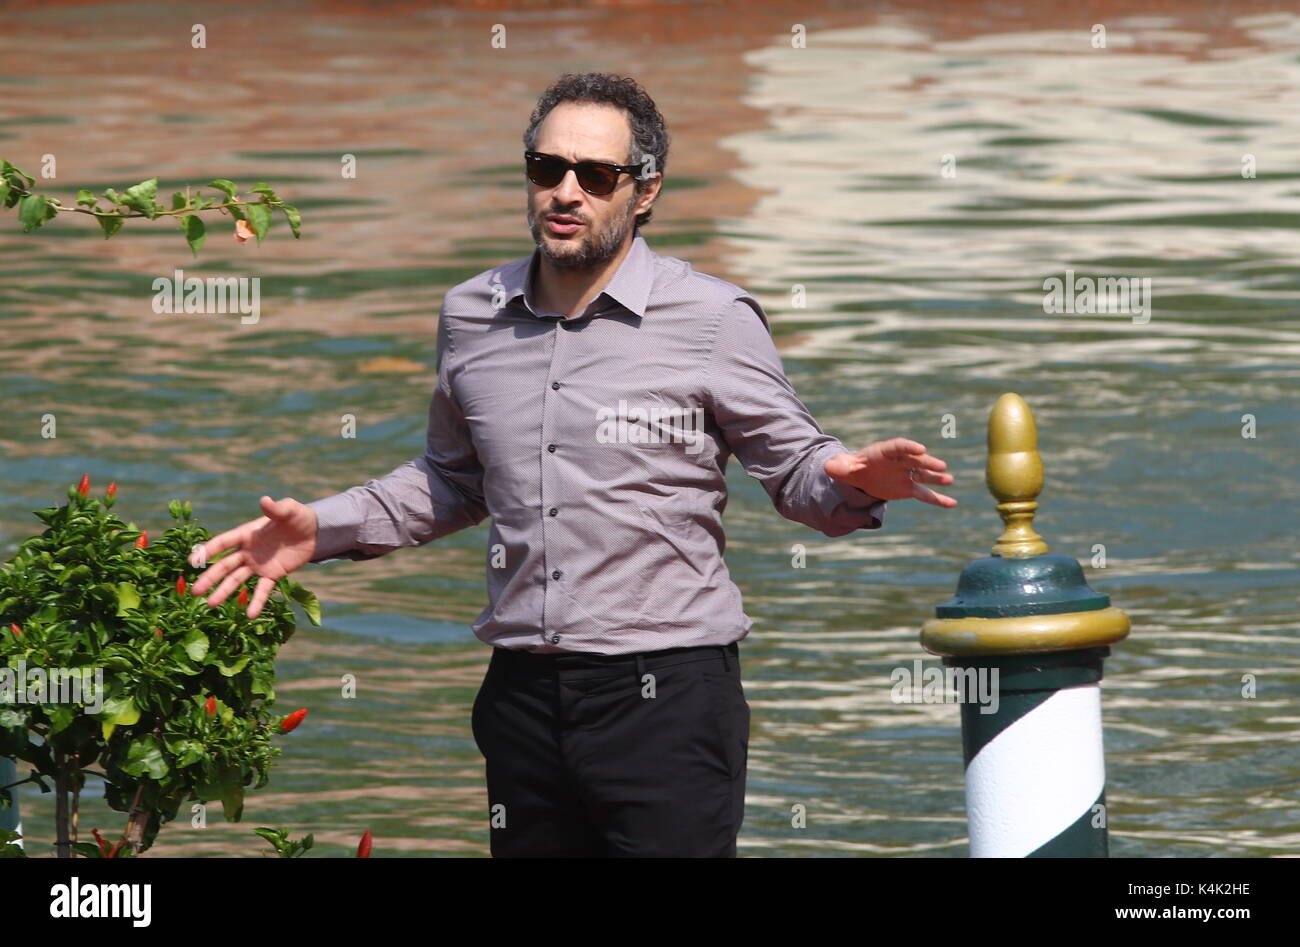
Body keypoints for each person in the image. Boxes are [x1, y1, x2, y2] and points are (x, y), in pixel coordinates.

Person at [188, 72, 956, 858]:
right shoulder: (470, 313)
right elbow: (455, 480)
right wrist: (321, 527)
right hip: (521, 697)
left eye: (595, 176)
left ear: (644, 190)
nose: (565, 192)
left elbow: (796, 469)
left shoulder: (713, 319)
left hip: (668, 698)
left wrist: (853, 478)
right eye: (545, 168)